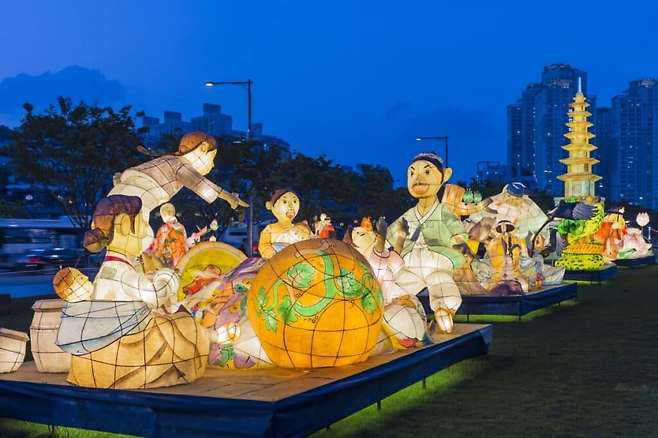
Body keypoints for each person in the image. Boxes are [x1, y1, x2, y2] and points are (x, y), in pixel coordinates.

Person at [56, 195, 208, 389]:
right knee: (186, 325)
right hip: (126, 346)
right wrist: (168, 277)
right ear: (124, 225)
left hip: (107, 340)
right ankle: (171, 371)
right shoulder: (122, 272)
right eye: (142, 224)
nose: (147, 231)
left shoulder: (106, 270)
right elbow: (155, 295)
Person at [387, 152, 468, 334]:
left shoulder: (443, 212)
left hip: (437, 262)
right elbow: (389, 237)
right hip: (409, 265)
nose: (417, 179)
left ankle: (443, 311)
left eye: (427, 172)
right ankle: (399, 313)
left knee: (441, 282)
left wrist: (459, 242)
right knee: (395, 285)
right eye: (412, 173)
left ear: (445, 176)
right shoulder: (408, 215)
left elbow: (457, 231)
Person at [109, 131, 248, 230]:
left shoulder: (168, 160)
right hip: (141, 195)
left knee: (125, 232)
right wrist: (231, 199)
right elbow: (202, 185)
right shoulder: (180, 164)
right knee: (140, 235)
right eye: (212, 158)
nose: (212, 165)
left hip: (121, 192)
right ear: (203, 148)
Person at [258, 189, 312, 258]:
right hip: (276, 260)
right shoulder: (270, 229)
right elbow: (263, 245)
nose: (290, 206)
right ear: (270, 206)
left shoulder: (298, 228)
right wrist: (271, 253)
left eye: (294, 201)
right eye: (284, 202)